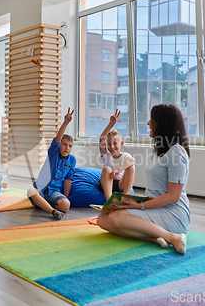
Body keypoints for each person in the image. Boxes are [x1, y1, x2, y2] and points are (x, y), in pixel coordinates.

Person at [97, 104, 190, 255]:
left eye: (151, 120)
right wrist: (136, 202)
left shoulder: (177, 153)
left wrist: (139, 206)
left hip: (174, 213)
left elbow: (174, 196)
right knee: (102, 219)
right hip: (154, 206)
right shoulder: (159, 150)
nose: (148, 123)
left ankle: (173, 237)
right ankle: (154, 237)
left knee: (116, 218)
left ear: (162, 123)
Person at [26, 108, 76, 220]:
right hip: (40, 189)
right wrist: (65, 123)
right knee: (31, 191)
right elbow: (58, 139)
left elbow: (68, 179)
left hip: (54, 192)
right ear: (59, 146)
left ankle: (42, 204)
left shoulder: (72, 160)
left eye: (70, 146)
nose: (67, 148)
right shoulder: (53, 152)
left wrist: (65, 197)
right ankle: (52, 211)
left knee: (66, 205)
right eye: (64, 145)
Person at [98, 109, 136, 200]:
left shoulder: (125, 155)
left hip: (120, 184)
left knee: (131, 167)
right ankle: (109, 201)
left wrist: (118, 170)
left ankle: (125, 199)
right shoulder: (106, 155)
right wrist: (111, 124)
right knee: (106, 169)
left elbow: (132, 160)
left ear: (121, 144)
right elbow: (101, 140)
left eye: (115, 143)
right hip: (106, 183)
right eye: (109, 144)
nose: (112, 147)